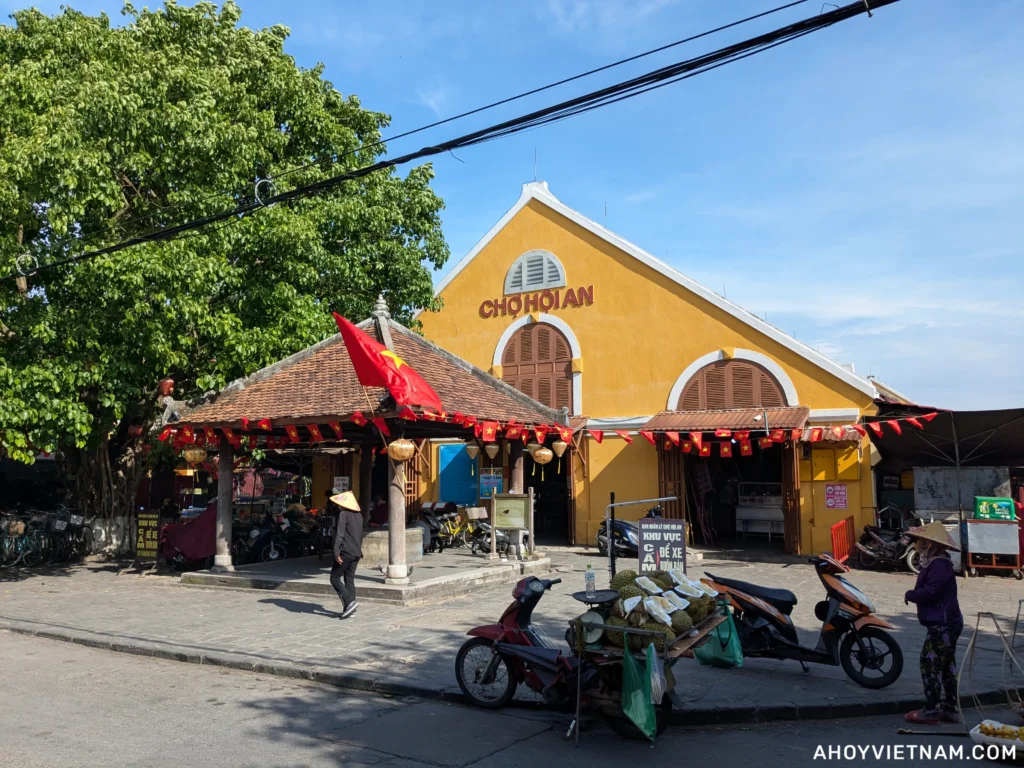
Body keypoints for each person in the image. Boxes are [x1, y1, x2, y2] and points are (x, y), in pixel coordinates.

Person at [903, 521, 963, 725]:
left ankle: (931, 710)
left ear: (933, 544)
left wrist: (911, 594)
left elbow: (931, 592)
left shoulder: (939, 565)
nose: (920, 544)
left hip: (943, 623)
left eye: (924, 541)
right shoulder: (939, 562)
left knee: (929, 663)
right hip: (946, 621)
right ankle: (951, 708)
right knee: (946, 664)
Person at [330, 491, 363, 619]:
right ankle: (350, 610)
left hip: (346, 551)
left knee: (334, 578)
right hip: (356, 552)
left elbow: (340, 534)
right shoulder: (359, 516)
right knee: (349, 579)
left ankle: (350, 602)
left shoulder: (343, 514)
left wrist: (336, 551)